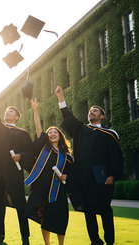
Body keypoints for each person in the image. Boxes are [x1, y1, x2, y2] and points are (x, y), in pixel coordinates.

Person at [55, 86, 123, 245]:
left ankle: (110, 241)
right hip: (84, 178)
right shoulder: (81, 130)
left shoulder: (110, 134)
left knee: (105, 210)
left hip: (102, 177)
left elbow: (115, 157)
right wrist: (61, 98)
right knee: (89, 211)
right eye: (90, 111)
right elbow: (68, 117)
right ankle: (95, 241)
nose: (91, 112)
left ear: (102, 116)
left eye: (95, 111)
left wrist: (112, 175)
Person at [0, 77, 33, 245]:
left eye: (11, 111)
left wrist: (21, 157)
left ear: (17, 117)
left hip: (13, 173)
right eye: (6, 111)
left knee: (20, 206)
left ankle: (25, 238)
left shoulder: (22, 133)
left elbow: (30, 153)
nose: (7, 113)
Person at [24, 98, 74, 245]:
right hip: (42, 189)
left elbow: (73, 173)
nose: (52, 134)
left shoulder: (66, 156)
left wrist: (67, 176)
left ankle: (61, 244)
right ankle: (47, 244)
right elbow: (39, 129)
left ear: (60, 136)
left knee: (61, 218)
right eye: (50, 132)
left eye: (55, 132)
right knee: (45, 219)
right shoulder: (43, 149)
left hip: (59, 191)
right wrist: (36, 111)